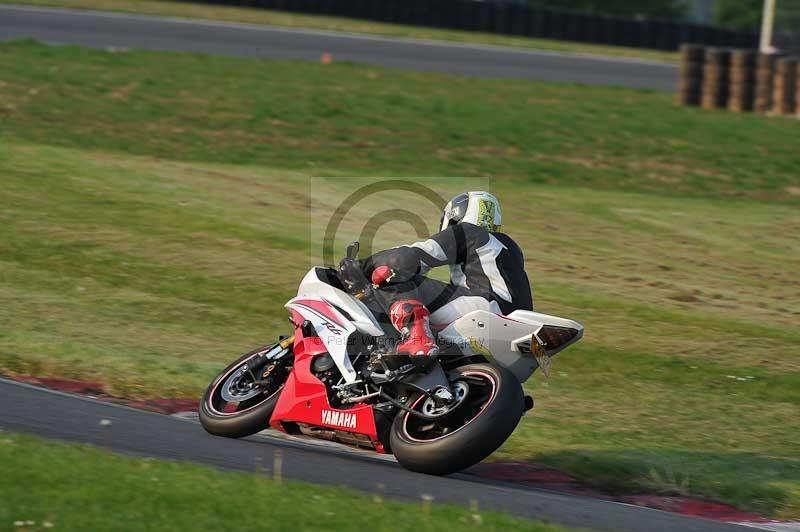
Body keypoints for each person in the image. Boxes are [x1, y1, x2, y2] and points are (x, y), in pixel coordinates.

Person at [360, 191, 533, 361]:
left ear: (455, 217)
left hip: (488, 310)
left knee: (394, 277)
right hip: (519, 325)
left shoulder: (469, 232)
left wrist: (362, 267)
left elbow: (408, 259)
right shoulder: (508, 249)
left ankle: (417, 339)